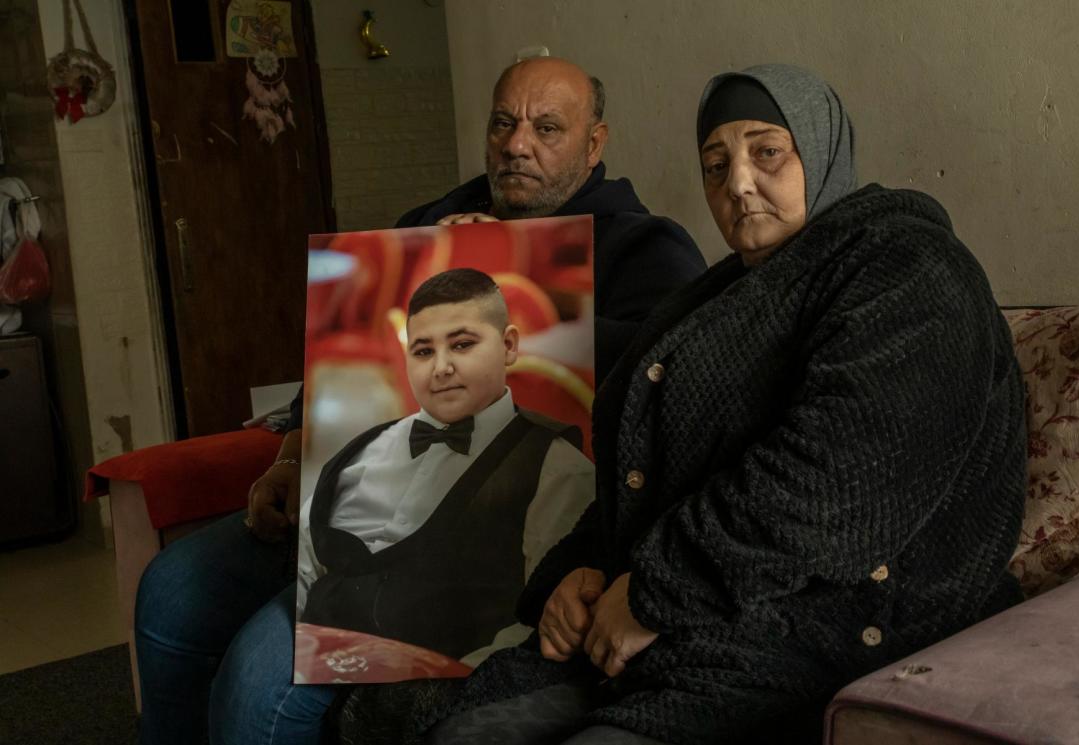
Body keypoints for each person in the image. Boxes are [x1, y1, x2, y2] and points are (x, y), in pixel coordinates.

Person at [367, 63, 1027, 745]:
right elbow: (647, 472)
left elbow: (831, 482)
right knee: (461, 732)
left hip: (829, 631)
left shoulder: (909, 267)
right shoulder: (724, 296)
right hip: (693, 624)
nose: (738, 183)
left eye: (767, 151)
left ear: (823, 147)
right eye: (715, 163)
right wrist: (580, 574)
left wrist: (653, 592)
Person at [133, 56, 705, 745]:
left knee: (260, 674)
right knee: (169, 587)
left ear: (595, 145)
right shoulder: (428, 222)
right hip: (341, 514)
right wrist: (292, 454)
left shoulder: (645, 248)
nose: (517, 144)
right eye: (503, 123)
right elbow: (338, 362)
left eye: (547, 128)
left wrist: (498, 264)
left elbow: (663, 381)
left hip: (478, 553)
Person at [298, 268, 593, 663]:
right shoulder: (365, 450)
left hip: (447, 679)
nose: (440, 368)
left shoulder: (557, 470)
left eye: (462, 345)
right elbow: (305, 561)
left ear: (508, 346)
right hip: (315, 649)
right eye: (423, 352)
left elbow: (542, 625)